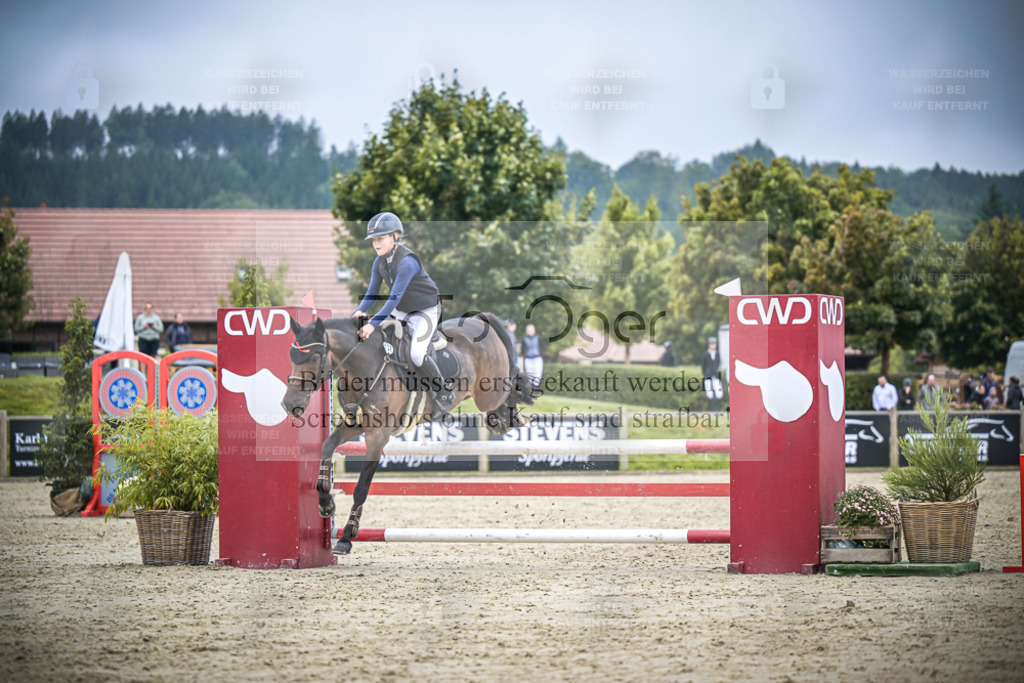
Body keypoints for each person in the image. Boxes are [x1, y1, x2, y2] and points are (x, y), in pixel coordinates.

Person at [353, 212, 453, 421]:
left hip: (425, 310)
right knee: (382, 341)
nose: (376, 244)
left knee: (416, 353)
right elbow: (372, 293)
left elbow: (393, 299)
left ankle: (444, 392)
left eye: (380, 239)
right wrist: (359, 310)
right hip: (403, 310)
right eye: (373, 240)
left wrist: (371, 324)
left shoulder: (407, 262)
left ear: (394, 237)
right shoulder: (379, 262)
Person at [701, 336, 724, 410]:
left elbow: (718, 363)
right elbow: (703, 365)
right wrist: (706, 373)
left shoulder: (717, 354)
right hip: (708, 375)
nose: (712, 346)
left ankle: (718, 408)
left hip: (715, 375)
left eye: (714, 344)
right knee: (709, 391)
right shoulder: (706, 354)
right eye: (711, 344)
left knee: (718, 390)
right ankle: (711, 408)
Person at [522, 323, 544, 387]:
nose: (530, 331)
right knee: (529, 375)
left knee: (537, 375)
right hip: (528, 359)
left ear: (534, 330)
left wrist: (540, 353)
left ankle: (536, 389)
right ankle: (530, 389)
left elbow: (542, 347)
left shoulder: (538, 337)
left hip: (537, 358)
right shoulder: (524, 339)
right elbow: (522, 349)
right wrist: (525, 355)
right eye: (528, 330)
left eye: (531, 330)